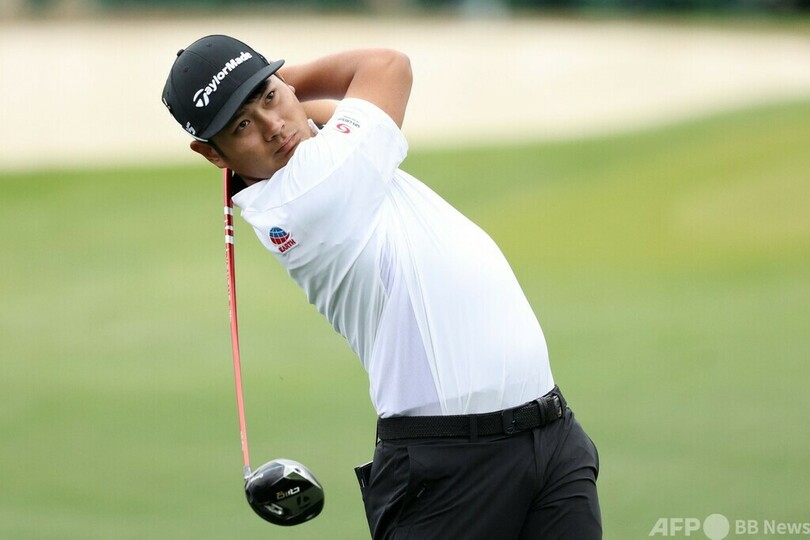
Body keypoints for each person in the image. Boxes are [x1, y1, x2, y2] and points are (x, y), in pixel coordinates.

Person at [162, 34, 601, 539]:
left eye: (269, 98)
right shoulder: (307, 191)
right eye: (241, 126)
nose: (273, 126)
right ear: (212, 154)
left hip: (550, 433)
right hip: (450, 470)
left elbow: (318, 116)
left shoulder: (322, 160)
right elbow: (386, 65)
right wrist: (280, 83)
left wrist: (258, 94)